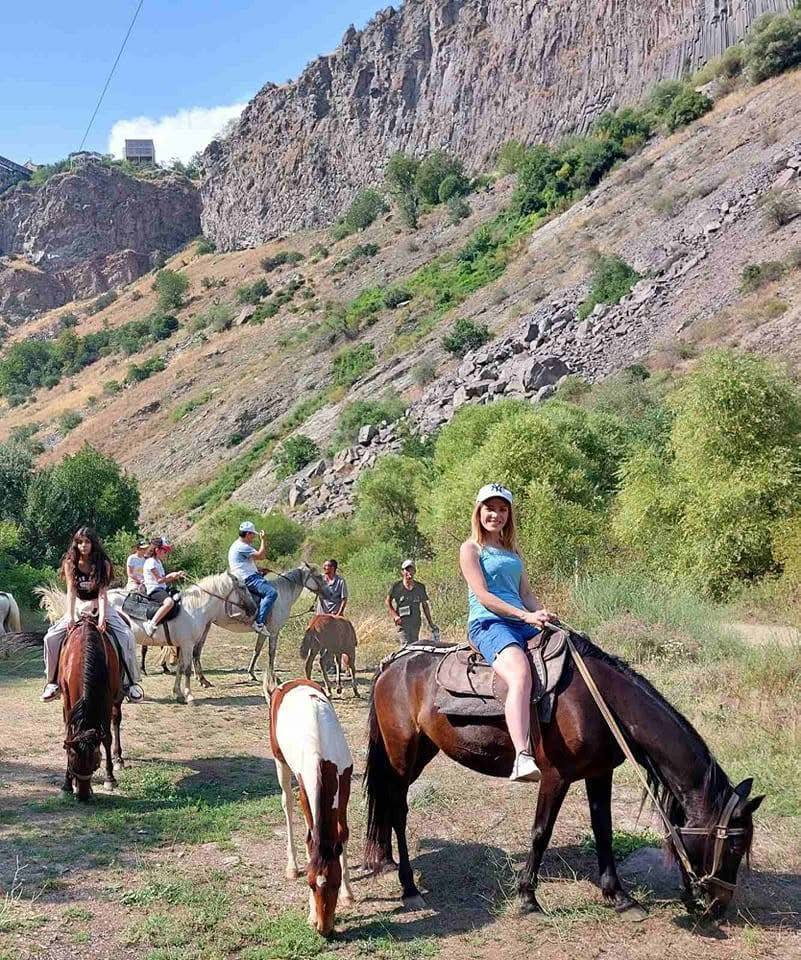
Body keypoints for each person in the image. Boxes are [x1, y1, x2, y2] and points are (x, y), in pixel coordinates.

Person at [459, 484, 555, 783]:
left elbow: (525, 593)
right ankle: (523, 756)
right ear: (479, 511)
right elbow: (484, 596)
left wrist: (542, 614)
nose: (496, 515)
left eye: (502, 509)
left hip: (521, 620)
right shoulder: (471, 548)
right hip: (489, 622)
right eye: (490, 508)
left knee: (568, 652)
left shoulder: (512, 551)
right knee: (520, 674)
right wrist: (525, 615)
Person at [41, 527, 143, 703]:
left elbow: (103, 593)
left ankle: (131, 683)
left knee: (127, 636)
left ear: (93, 543)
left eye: (87, 542)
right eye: (80, 542)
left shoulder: (103, 563)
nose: (83, 545)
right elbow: (71, 591)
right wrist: (71, 616)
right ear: (76, 544)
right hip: (79, 605)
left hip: (101, 604)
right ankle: (52, 682)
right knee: (50, 638)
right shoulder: (70, 562)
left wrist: (103, 617)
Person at [227, 521, 277, 634]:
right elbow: (261, 556)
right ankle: (259, 622)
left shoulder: (237, 545)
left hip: (245, 575)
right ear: (248, 534)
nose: (254, 537)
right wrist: (263, 540)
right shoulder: (243, 546)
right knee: (271, 593)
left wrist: (259, 569)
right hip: (248, 578)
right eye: (253, 534)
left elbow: (243, 563)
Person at [142, 538, 186, 637]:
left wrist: (175, 575)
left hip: (162, 588)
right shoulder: (151, 562)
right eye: (164, 550)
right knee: (169, 602)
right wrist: (172, 575)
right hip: (154, 589)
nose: (165, 553)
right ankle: (151, 624)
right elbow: (159, 580)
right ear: (157, 550)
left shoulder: (158, 562)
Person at [386, 560, 436, 645]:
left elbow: (425, 605)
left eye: (411, 570)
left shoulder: (420, 587)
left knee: (414, 646)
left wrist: (430, 622)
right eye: (407, 570)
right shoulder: (396, 586)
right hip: (402, 623)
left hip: (415, 622)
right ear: (402, 572)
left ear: (415, 571)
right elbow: (388, 601)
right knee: (405, 646)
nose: (409, 572)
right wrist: (395, 616)